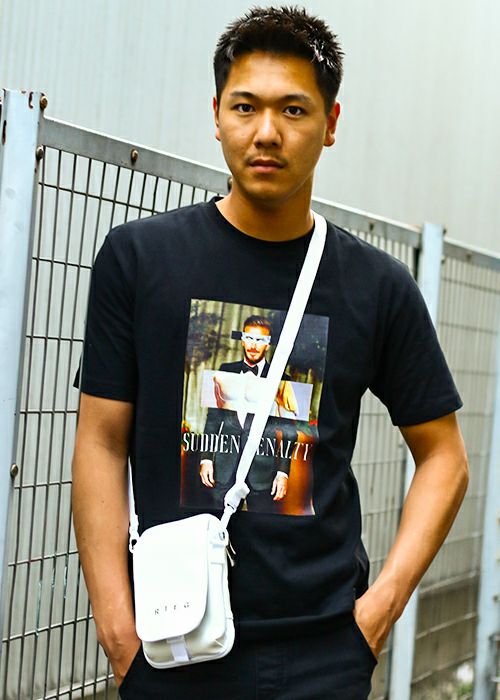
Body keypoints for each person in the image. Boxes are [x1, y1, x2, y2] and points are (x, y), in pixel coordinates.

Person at [71, 6, 468, 699]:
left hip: (322, 652)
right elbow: (100, 441)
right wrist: (117, 630)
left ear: (331, 124)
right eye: (245, 106)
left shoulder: (376, 287)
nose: (266, 132)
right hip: (170, 639)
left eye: (293, 110)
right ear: (216, 114)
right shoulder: (140, 260)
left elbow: (445, 457)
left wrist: (376, 614)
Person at [199, 314, 297, 513]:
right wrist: (206, 459)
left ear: (268, 345)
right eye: (249, 338)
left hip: (262, 473)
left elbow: (288, 431)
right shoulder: (225, 370)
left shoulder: (282, 378)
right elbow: (213, 420)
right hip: (224, 468)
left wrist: (282, 473)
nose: (253, 345)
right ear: (242, 340)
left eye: (260, 340)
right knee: (215, 524)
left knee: (261, 527)